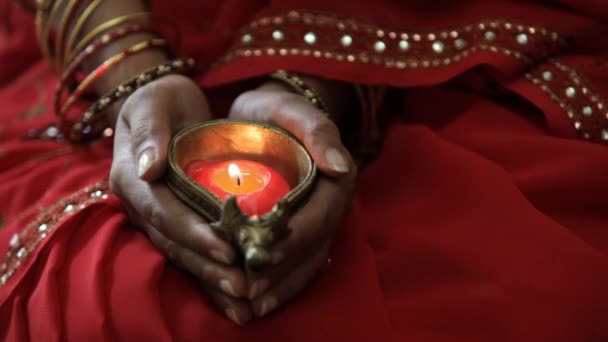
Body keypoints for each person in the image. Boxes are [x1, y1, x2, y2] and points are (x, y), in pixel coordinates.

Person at [0, 0, 607, 340]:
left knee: (531, 290)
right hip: (119, 32)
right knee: (102, 304)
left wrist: (316, 82)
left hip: (418, 32)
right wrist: (133, 74)